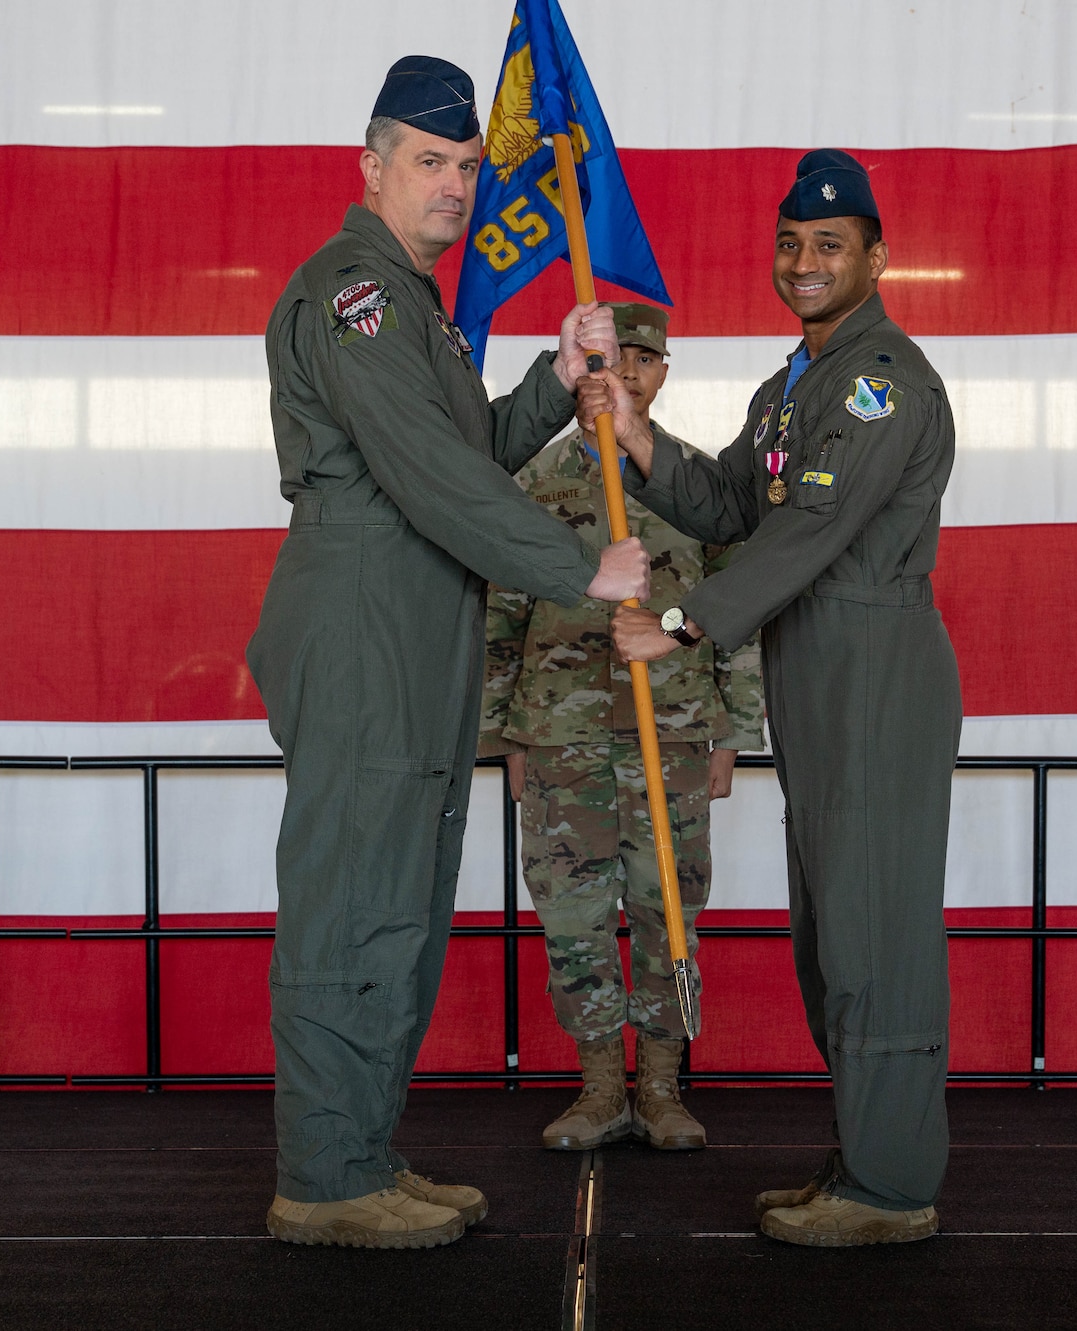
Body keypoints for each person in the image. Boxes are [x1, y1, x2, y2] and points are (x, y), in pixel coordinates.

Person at [244, 54, 650, 1250]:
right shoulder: (354, 293)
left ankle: (361, 1150)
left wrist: (555, 380)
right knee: (350, 904)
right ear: (371, 167)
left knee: (401, 905)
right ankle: (322, 1175)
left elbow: (460, 445)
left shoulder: (413, 303)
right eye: (430, 162)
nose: (456, 186)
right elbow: (425, 472)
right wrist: (577, 566)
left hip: (413, 619)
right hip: (364, 615)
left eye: (469, 166)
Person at [586, 150, 963, 1248]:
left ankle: (891, 1184)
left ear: (876, 258)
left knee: (874, 930)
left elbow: (810, 526)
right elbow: (729, 501)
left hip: (873, 665)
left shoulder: (879, 379)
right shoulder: (793, 384)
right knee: (835, 932)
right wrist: (636, 433)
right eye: (791, 242)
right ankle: (863, 1154)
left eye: (829, 244)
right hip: (817, 663)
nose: (804, 261)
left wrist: (681, 622)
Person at [480, 302, 765, 1153]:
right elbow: (499, 612)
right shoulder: (528, 481)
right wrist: (505, 736)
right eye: (610, 358)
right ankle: (601, 1084)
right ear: (581, 369)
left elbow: (736, 611)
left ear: (664, 372)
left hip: (670, 734)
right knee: (572, 915)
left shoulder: (699, 484)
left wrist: (731, 731)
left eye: (643, 359)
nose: (625, 373)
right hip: (559, 734)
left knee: (666, 910)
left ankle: (662, 1086)